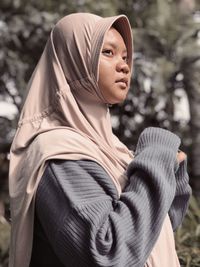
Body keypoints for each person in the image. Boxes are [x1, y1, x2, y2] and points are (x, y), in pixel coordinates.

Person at [8, 12, 191, 267]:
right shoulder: (60, 156)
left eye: (126, 57)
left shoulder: (111, 150)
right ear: (75, 60)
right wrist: (157, 153)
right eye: (108, 52)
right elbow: (108, 253)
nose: (124, 65)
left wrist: (170, 170)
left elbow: (154, 230)